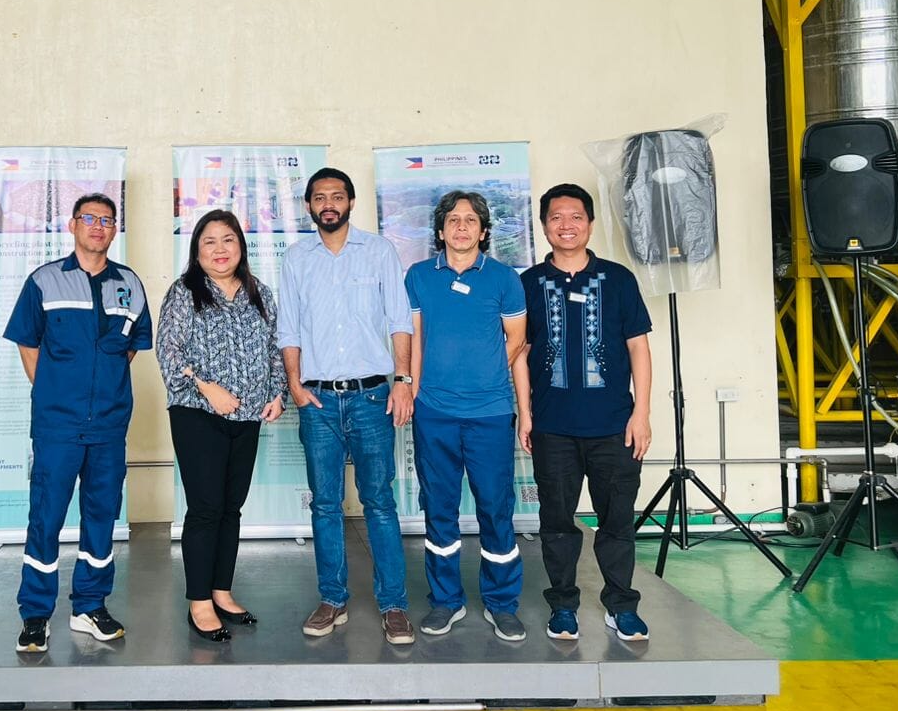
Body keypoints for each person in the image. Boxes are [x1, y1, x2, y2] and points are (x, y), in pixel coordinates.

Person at [4, 192, 152, 654]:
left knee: (101, 518)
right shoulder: (45, 282)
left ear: (114, 229)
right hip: (57, 426)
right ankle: (35, 615)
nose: (98, 226)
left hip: (108, 427)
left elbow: (130, 347)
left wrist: (100, 388)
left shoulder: (129, 284)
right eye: (89, 218)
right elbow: (28, 344)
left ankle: (89, 605)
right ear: (72, 225)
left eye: (107, 220)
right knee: (45, 519)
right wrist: (53, 389)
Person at [278, 167, 417, 645]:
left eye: (338, 195)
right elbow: (289, 328)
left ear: (351, 203)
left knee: (379, 502)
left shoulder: (378, 251)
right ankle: (332, 598)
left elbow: (400, 320)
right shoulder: (297, 258)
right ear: (310, 206)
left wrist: (402, 380)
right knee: (325, 504)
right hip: (316, 399)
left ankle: (394, 605)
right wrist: (295, 386)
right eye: (320, 197)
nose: (329, 203)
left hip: (373, 396)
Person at [513, 183, 653, 643]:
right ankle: (564, 607)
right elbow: (521, 351)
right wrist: (526, 413)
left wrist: (642, 414)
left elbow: (639, 348)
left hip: (615, 425)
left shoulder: (618, 279)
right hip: (552, 427)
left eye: (575, 217)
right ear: (544, 226)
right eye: (556, 218)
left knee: (617, 521)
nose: (566, 226)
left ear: (590, 224)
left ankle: (621, 606)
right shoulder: (528, 284)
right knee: (556, 522)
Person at [156, 209, 287, 642]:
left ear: (241, 246)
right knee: (206, 507)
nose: (219, 249)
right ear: (197, 250)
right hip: (197, 413)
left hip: (248, 415)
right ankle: (199, 601)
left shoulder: (260, 294)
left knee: (232, 507)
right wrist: (206, 387)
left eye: (227, 240)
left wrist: (278, 391)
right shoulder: (184, 292)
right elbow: (168, 352)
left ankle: (222, 590)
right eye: (209, 241)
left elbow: (275, 349)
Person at [405, 190, 528, 643]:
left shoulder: (503, 279)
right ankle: (446, 601)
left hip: (491, 413)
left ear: (483, 230)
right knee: (439, 510)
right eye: (453, 220)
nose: (461, 227)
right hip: (433, 413)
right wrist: (416, 393)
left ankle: (501, 603)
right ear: (440, 230)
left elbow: (516, 339)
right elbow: (414, 338)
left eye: (470, 220)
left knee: (496, 508)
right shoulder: (418, 276)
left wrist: (486, 372)